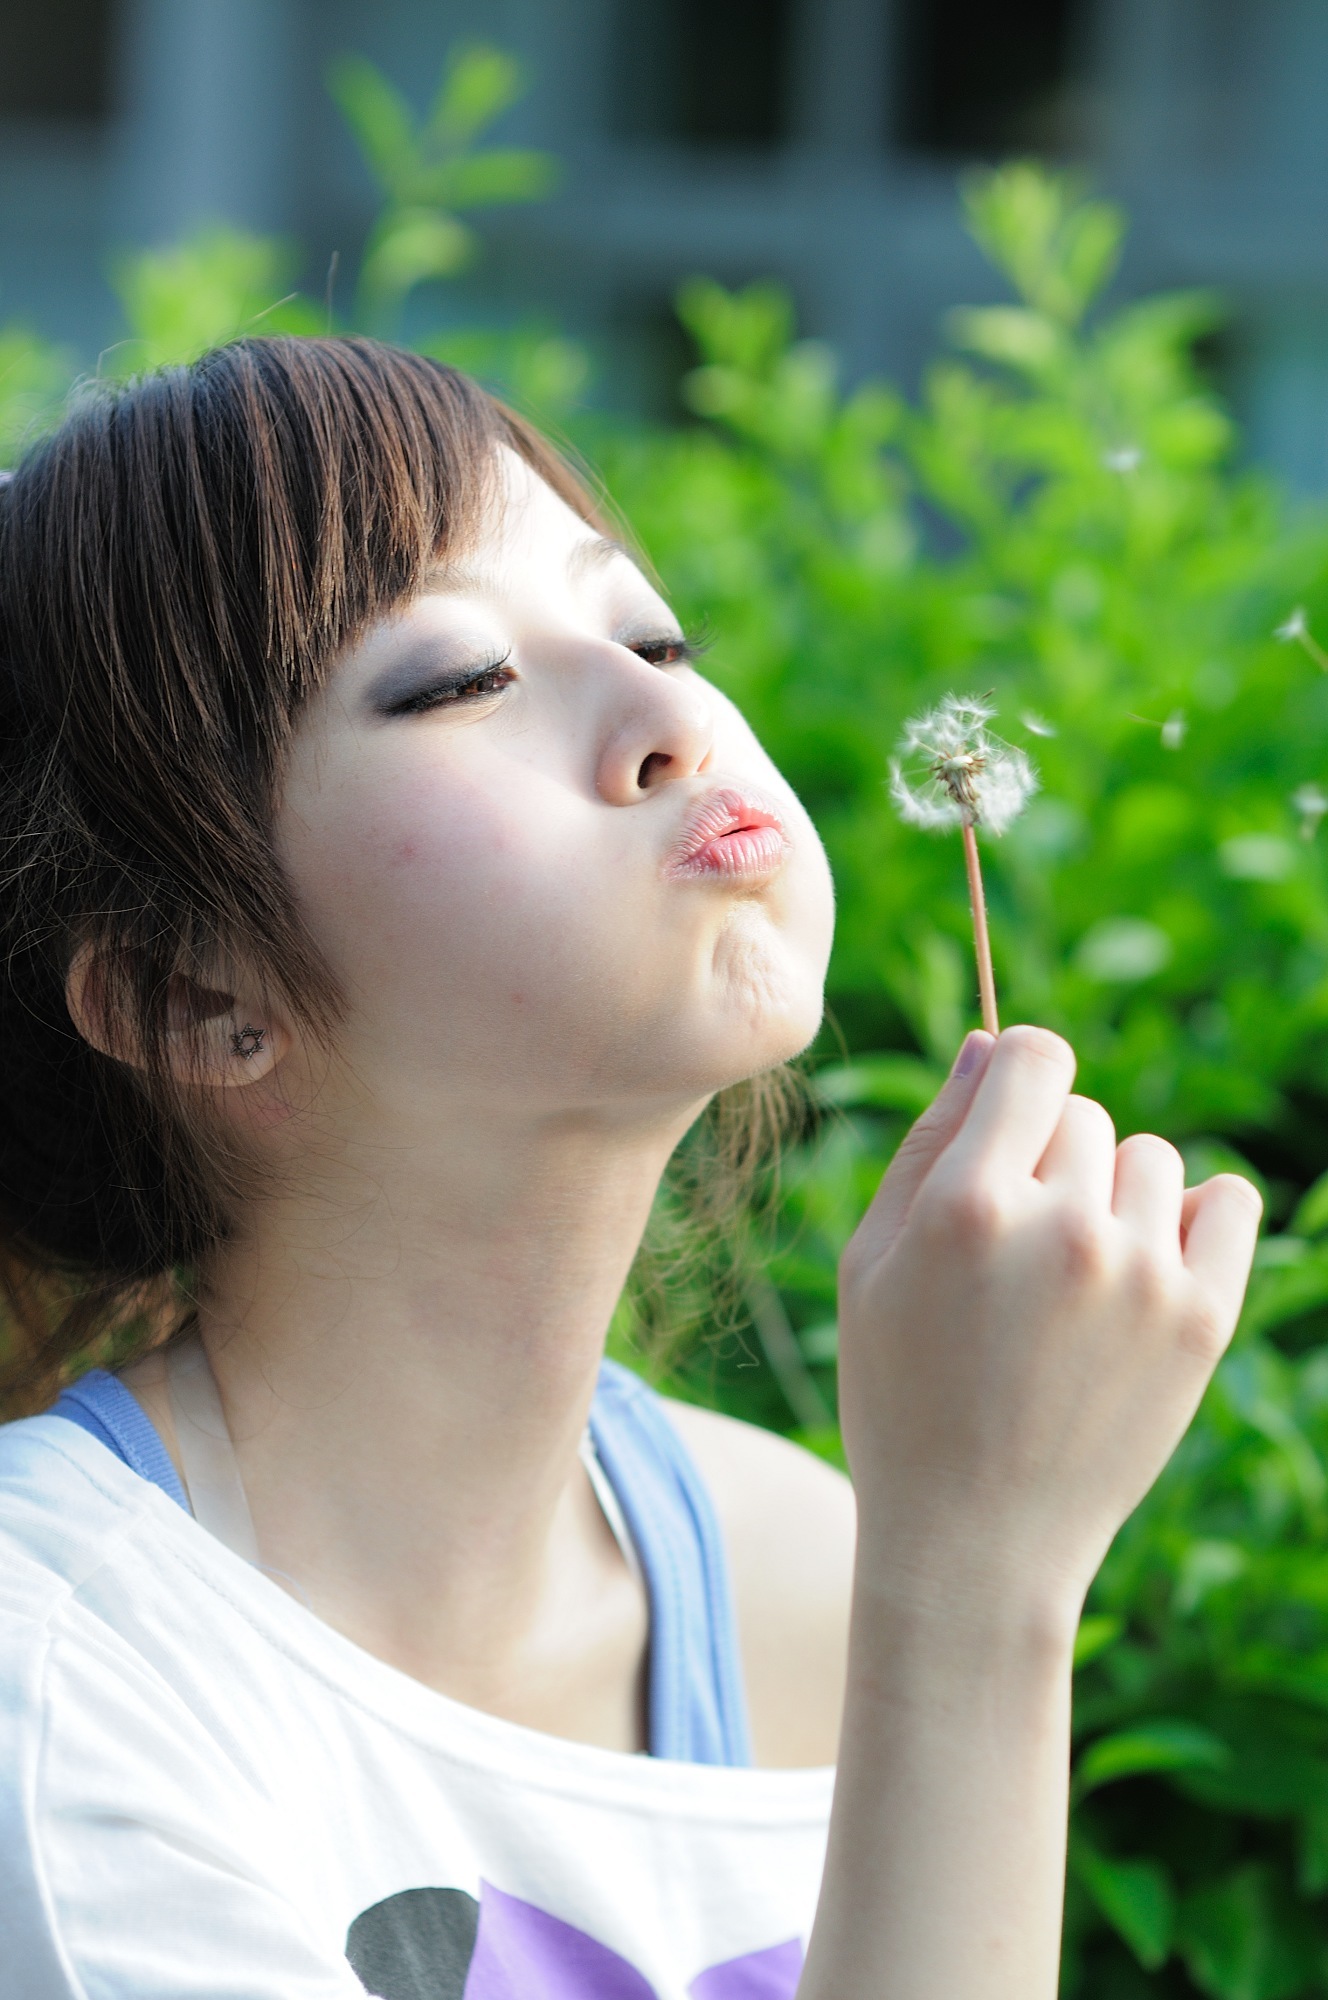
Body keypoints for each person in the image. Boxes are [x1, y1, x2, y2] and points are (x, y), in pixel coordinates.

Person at [0, 336, 1259, 2000]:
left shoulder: (804, 1575)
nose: (674, 713)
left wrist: (947, 1586)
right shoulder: (63, 1680)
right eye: (459, 681)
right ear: (194, 994)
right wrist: (975, 1596)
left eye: (651, 631)